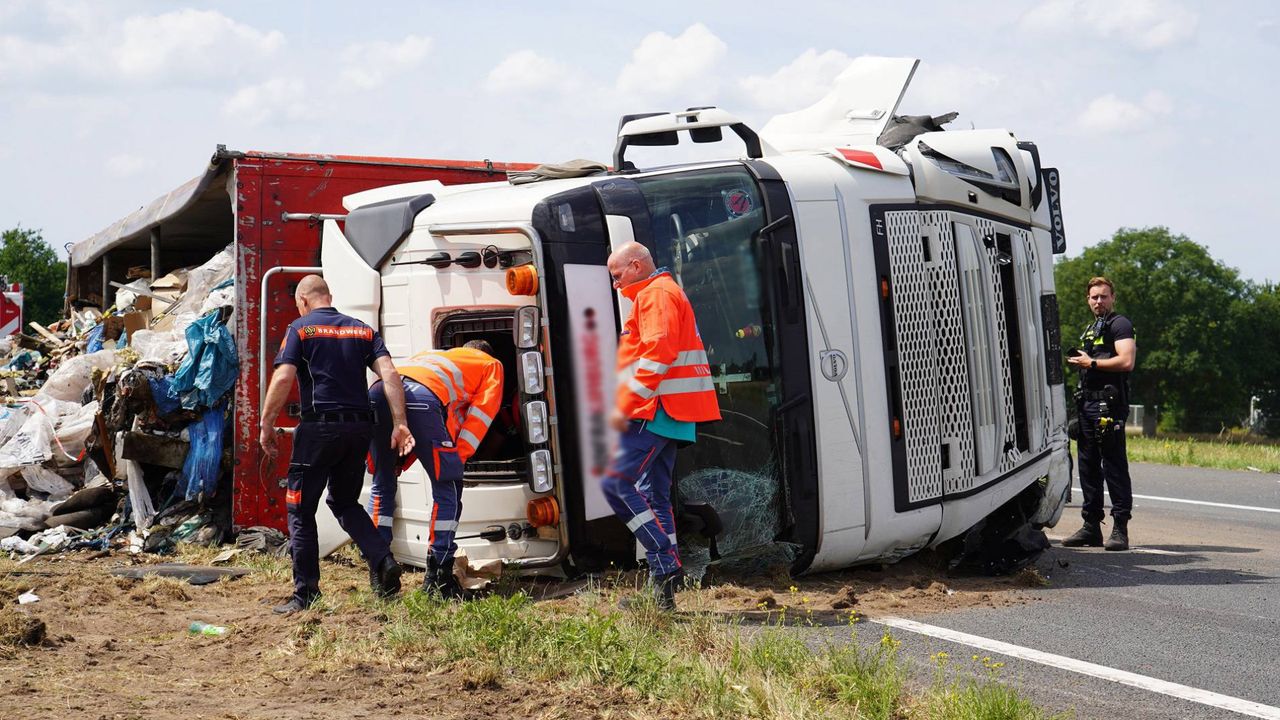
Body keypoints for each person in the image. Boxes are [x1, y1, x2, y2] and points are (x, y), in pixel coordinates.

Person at [260, 275, 415, 614]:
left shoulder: (301, 328)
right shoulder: (362, 330)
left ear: (303, 300)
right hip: (360, 430)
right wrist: (400, 423)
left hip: (319, 430)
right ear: (329, 296)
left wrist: (267, 422)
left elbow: (284, 376)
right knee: (344, 501)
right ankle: (382, 559)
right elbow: (389, 374)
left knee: (300, 510)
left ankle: (305, 595)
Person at [603, 241, 721, 611]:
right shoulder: (664, 292)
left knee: (615, 484)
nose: (616, 285)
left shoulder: (655, 294)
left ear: (636, 266)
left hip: (656, 409)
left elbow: (659, 351)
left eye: (617, 275)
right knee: (654, 495)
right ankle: (663, 594)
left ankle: (665, 562)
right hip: (672, 411)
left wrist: (630, 403)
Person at [367, 340, 503, 600]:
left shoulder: (431, 357)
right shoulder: (489, 364)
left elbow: (442, 421)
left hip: (378, 392)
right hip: (420, 397)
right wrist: (457, 458)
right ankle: (438, 580)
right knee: (448, 487)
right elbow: (482, 414)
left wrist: (399, 461)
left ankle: (380, 569)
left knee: (383, 483)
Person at [1063, 276, 1137, 551]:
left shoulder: (1120, 324)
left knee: (1114, 466)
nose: (1098, 301)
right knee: (1088, 466)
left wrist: (1090, 362)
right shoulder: (1091, 328)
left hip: (1109, 406)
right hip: (1086, 406)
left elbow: (1127, 361)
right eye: (1094, 297)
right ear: (1088, 300)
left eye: (1103, 296)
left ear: (1112, 298)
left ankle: (1120, 529)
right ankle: (1091, 526)